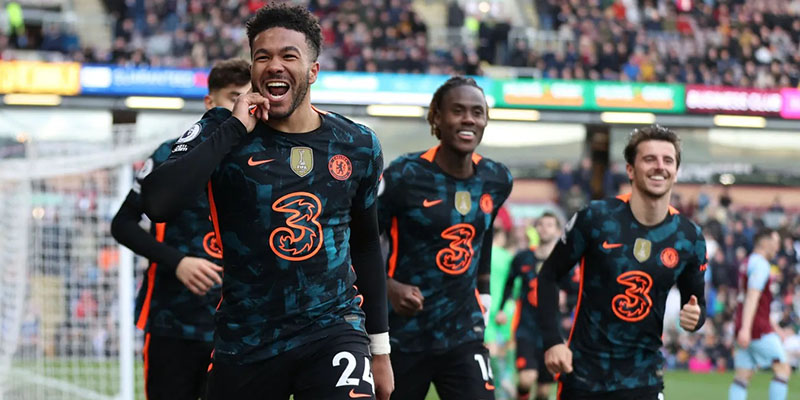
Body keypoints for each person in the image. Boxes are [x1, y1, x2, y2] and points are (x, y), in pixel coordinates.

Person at [140, 4, 392, 400]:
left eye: (289, 56)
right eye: (263, 56)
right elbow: (157, 203)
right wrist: (235, 127)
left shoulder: (357, 144)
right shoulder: (220, 128)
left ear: (312, 70)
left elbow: (365, 246)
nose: (275, 65)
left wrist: (380, 349)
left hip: (332, 330)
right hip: (247, 340)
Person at [110, 57, 250, 400]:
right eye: (234, 97)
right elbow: (123, 223)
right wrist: (178, 261)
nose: (242, 106)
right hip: (173, 321)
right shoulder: (171, 154)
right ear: (210, 102)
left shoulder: (261, 158)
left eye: (248, 97)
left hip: (241, 324)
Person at [538, 125, 708, 400]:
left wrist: (694, 318)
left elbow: (696, 305)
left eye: (667, 160)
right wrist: (552, 342)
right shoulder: (596, 218)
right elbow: (548, 276)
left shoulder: (689, 237)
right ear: (630, 170)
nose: (659, 166)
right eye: (649, 159)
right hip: (584, 379)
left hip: (644, 379)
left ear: (676, 172)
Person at [377, 76, 514, 400]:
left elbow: (484, 233)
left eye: (477, 112)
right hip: (404, 334)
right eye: (458, 110)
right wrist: (388, 287)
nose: (469, 119)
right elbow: (360, 240)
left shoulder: (497, 179)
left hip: (463, 333)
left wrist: (484, 293)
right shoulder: (404, 175)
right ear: (437, 118)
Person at [495, 212, 561, 400]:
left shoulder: (563, 260)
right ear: (535, 229)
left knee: (543, 391)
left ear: (557, 230)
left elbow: (575, 290)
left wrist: (567, 302)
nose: (544, 229)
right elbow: (509, 283)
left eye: (549, 225)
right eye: (541, 224)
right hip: (526, 328)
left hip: (552, 332)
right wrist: (502, 308)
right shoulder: (523, 258)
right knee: (526, 378)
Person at [729, 229, 791, 400]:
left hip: (744, 323)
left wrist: (776, 328)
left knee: (742, 376)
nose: (778, 247)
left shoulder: (747, 262)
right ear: (764, 242)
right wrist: (747, 329)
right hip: (756, 327)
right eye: (776, 242)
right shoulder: (761, 264)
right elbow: (753, 296)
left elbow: (756, 301)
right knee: (783, 369)